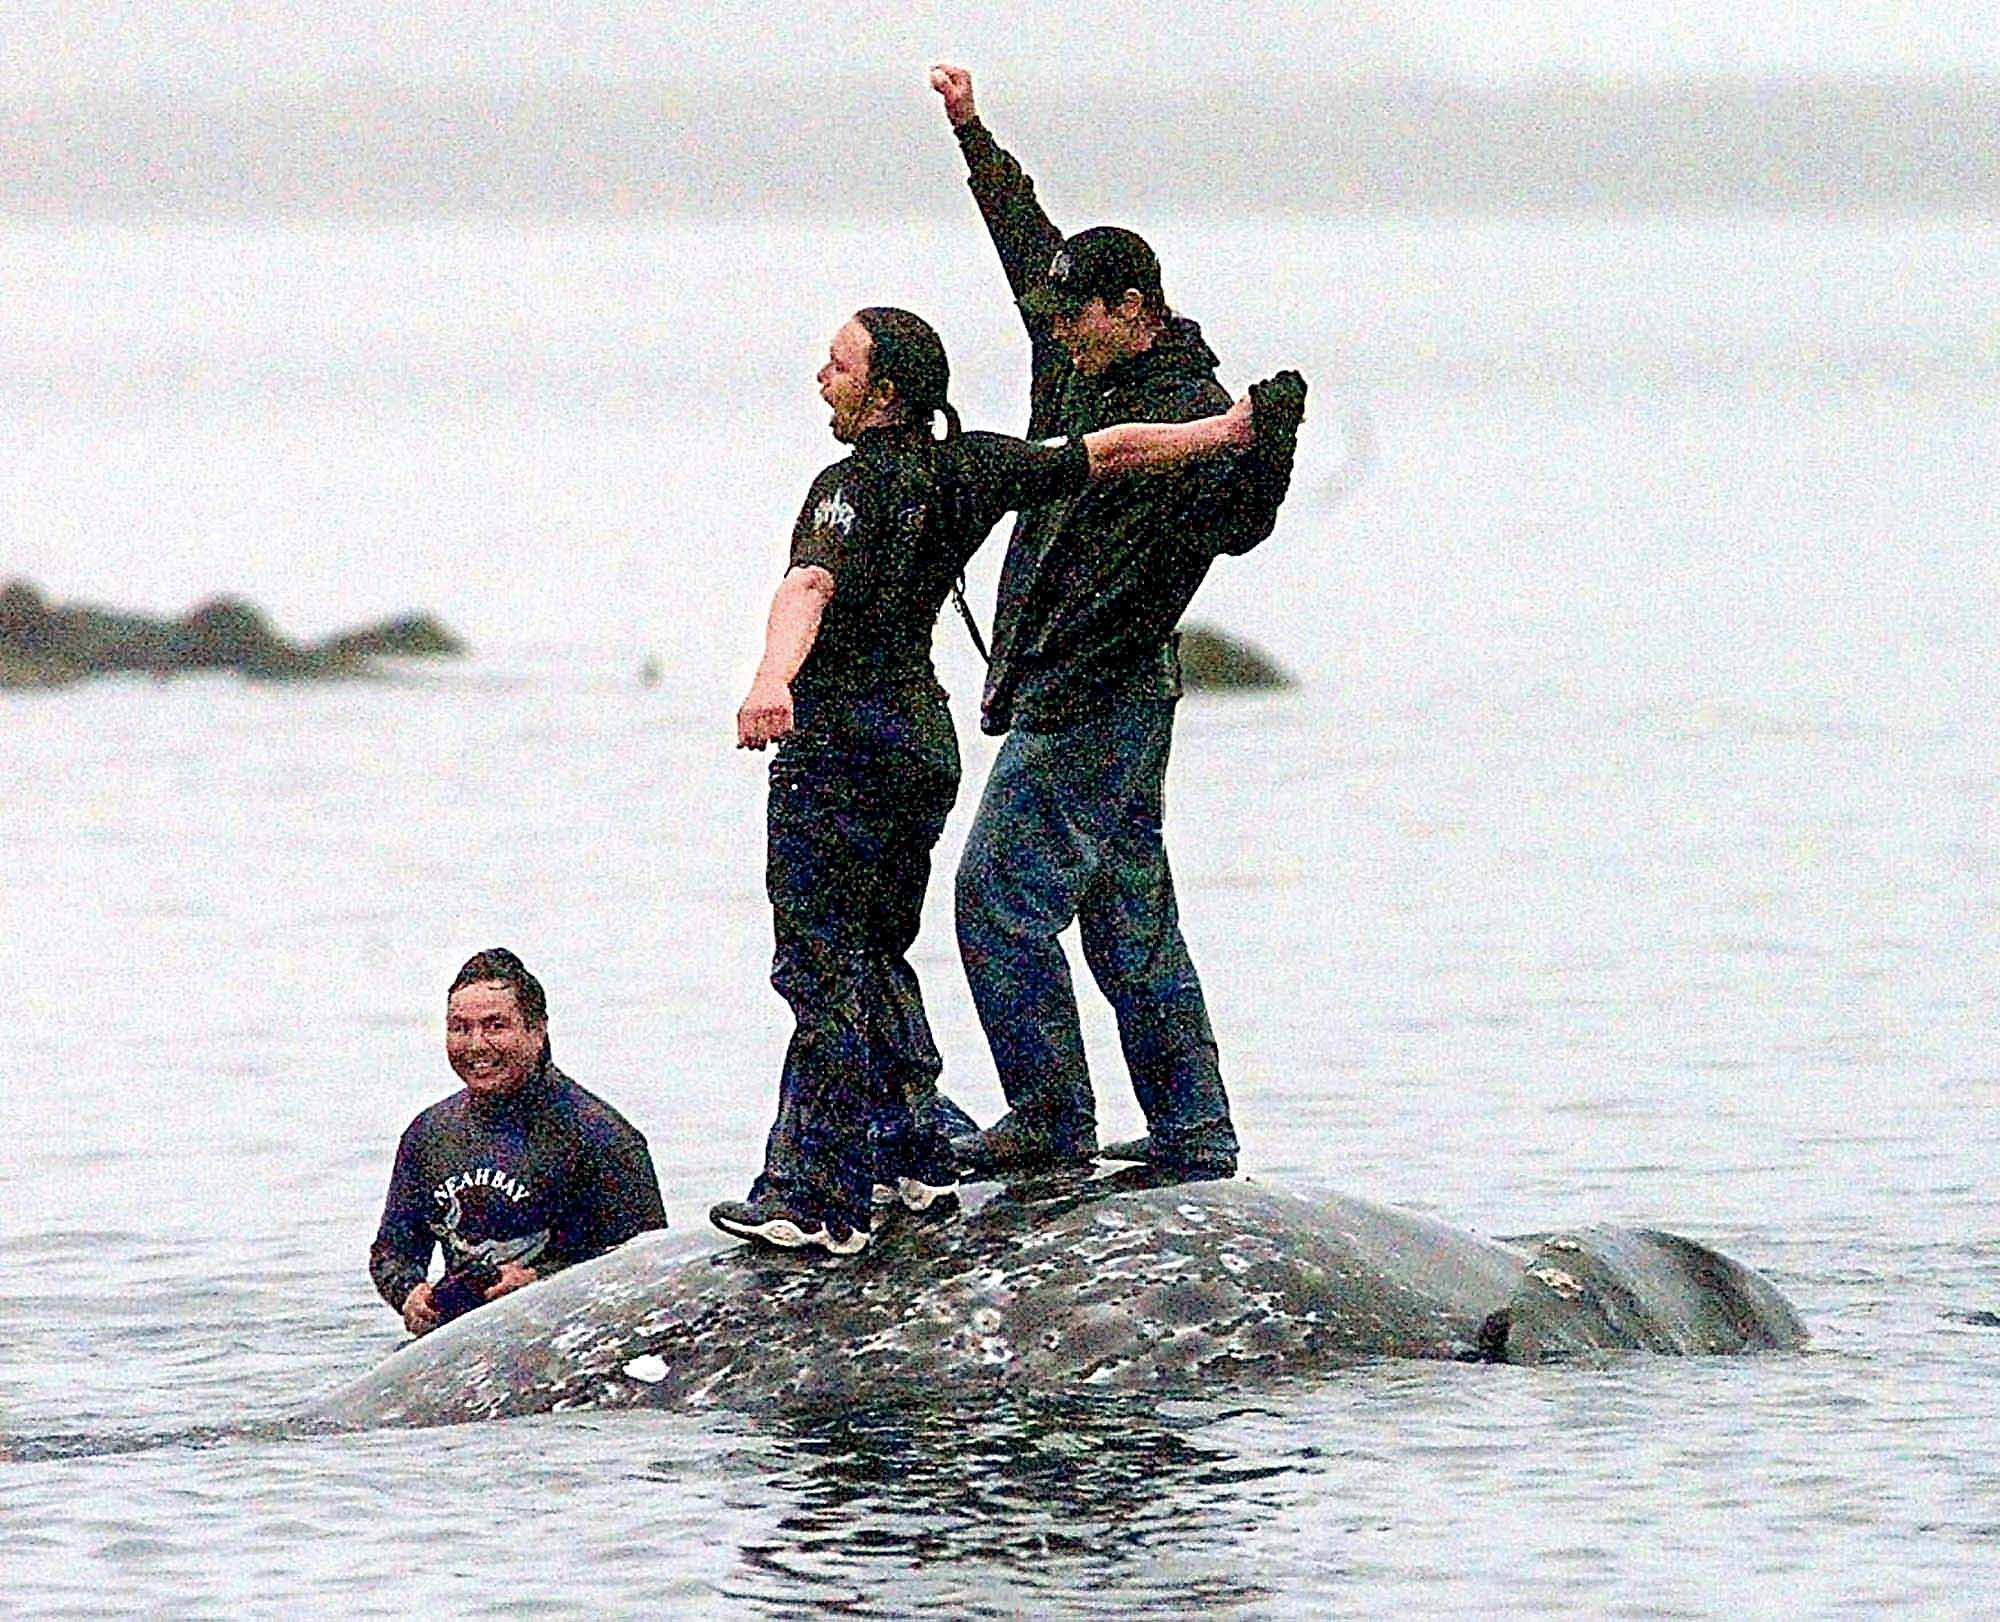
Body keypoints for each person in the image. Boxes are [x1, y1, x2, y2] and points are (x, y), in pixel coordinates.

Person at [708, 305, 1297, 1256]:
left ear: (885, 391)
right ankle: (910, 1161)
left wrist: (773, 678)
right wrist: (1226, 431)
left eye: (840, 365)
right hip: (921, 747)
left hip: (843, 752)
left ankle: (815, 1195)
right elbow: (1107, 452)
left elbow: (807, 585)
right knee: (878, 951)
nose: (822, 376)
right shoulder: (969, 465)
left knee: (819, 966)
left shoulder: (844, 489)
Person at [929, 63, 1306, 1185]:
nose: (1059, 335)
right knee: (1126, 914)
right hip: (1088, 691)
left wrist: (1269, 440)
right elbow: (1020, 234)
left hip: (1098, 693)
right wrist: (971, 133)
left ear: (1132, 309)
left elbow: (1240, 528)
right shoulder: (1070, 351)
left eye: (1077, 319)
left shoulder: (1198, 411)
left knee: (996, 895)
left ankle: (1048, 1116)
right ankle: (1194, 1133)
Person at [370, 948, 667, 1336]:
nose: (475, 1044)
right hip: (466, 1344)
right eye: (460, 1028)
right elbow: (392, 1252)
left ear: (537, 1030)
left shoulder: (602, 1137)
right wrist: (409, 1293)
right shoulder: (428, 1135)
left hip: (573, 1340)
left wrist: (541, 1282)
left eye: (495, 1026)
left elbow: (648, 1268)